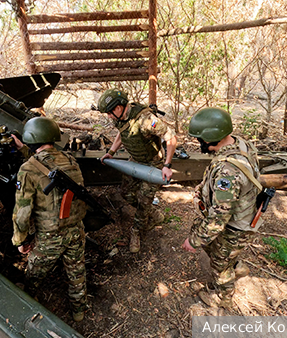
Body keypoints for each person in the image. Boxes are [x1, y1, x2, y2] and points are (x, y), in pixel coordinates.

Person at [182, 107, 262, 309]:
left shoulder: (228, 171)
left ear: (211, 138)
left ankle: (223, 297)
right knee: (218, 251)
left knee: (219, 265)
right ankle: (236, 265)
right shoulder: (241, 144)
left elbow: (219, 218)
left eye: (200, 138)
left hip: (235, 228)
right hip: (240, 215)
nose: (198, 143)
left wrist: (194, 240)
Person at [11, 117, 88, 322]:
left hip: (50, 237)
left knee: (33, 274)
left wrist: (20, 240)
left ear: (31, 139)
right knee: (76, 271)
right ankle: (79, 310)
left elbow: (22, 212)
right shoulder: (70, 159)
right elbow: (47, 162)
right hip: (76, 230)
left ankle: (28, 302)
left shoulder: (28, 170)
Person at [96, 88, 177, 253]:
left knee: (143, 200)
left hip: (153, 164)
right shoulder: (119, 117)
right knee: (126, 192)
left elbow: (171, 137)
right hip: (135, 161)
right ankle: (153, 213)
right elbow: (122, 132)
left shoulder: (146, 120)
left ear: (119, 106)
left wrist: (167, 165)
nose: (109, 116)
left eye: (110, 112)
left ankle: (136, 231)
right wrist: (111, 152)